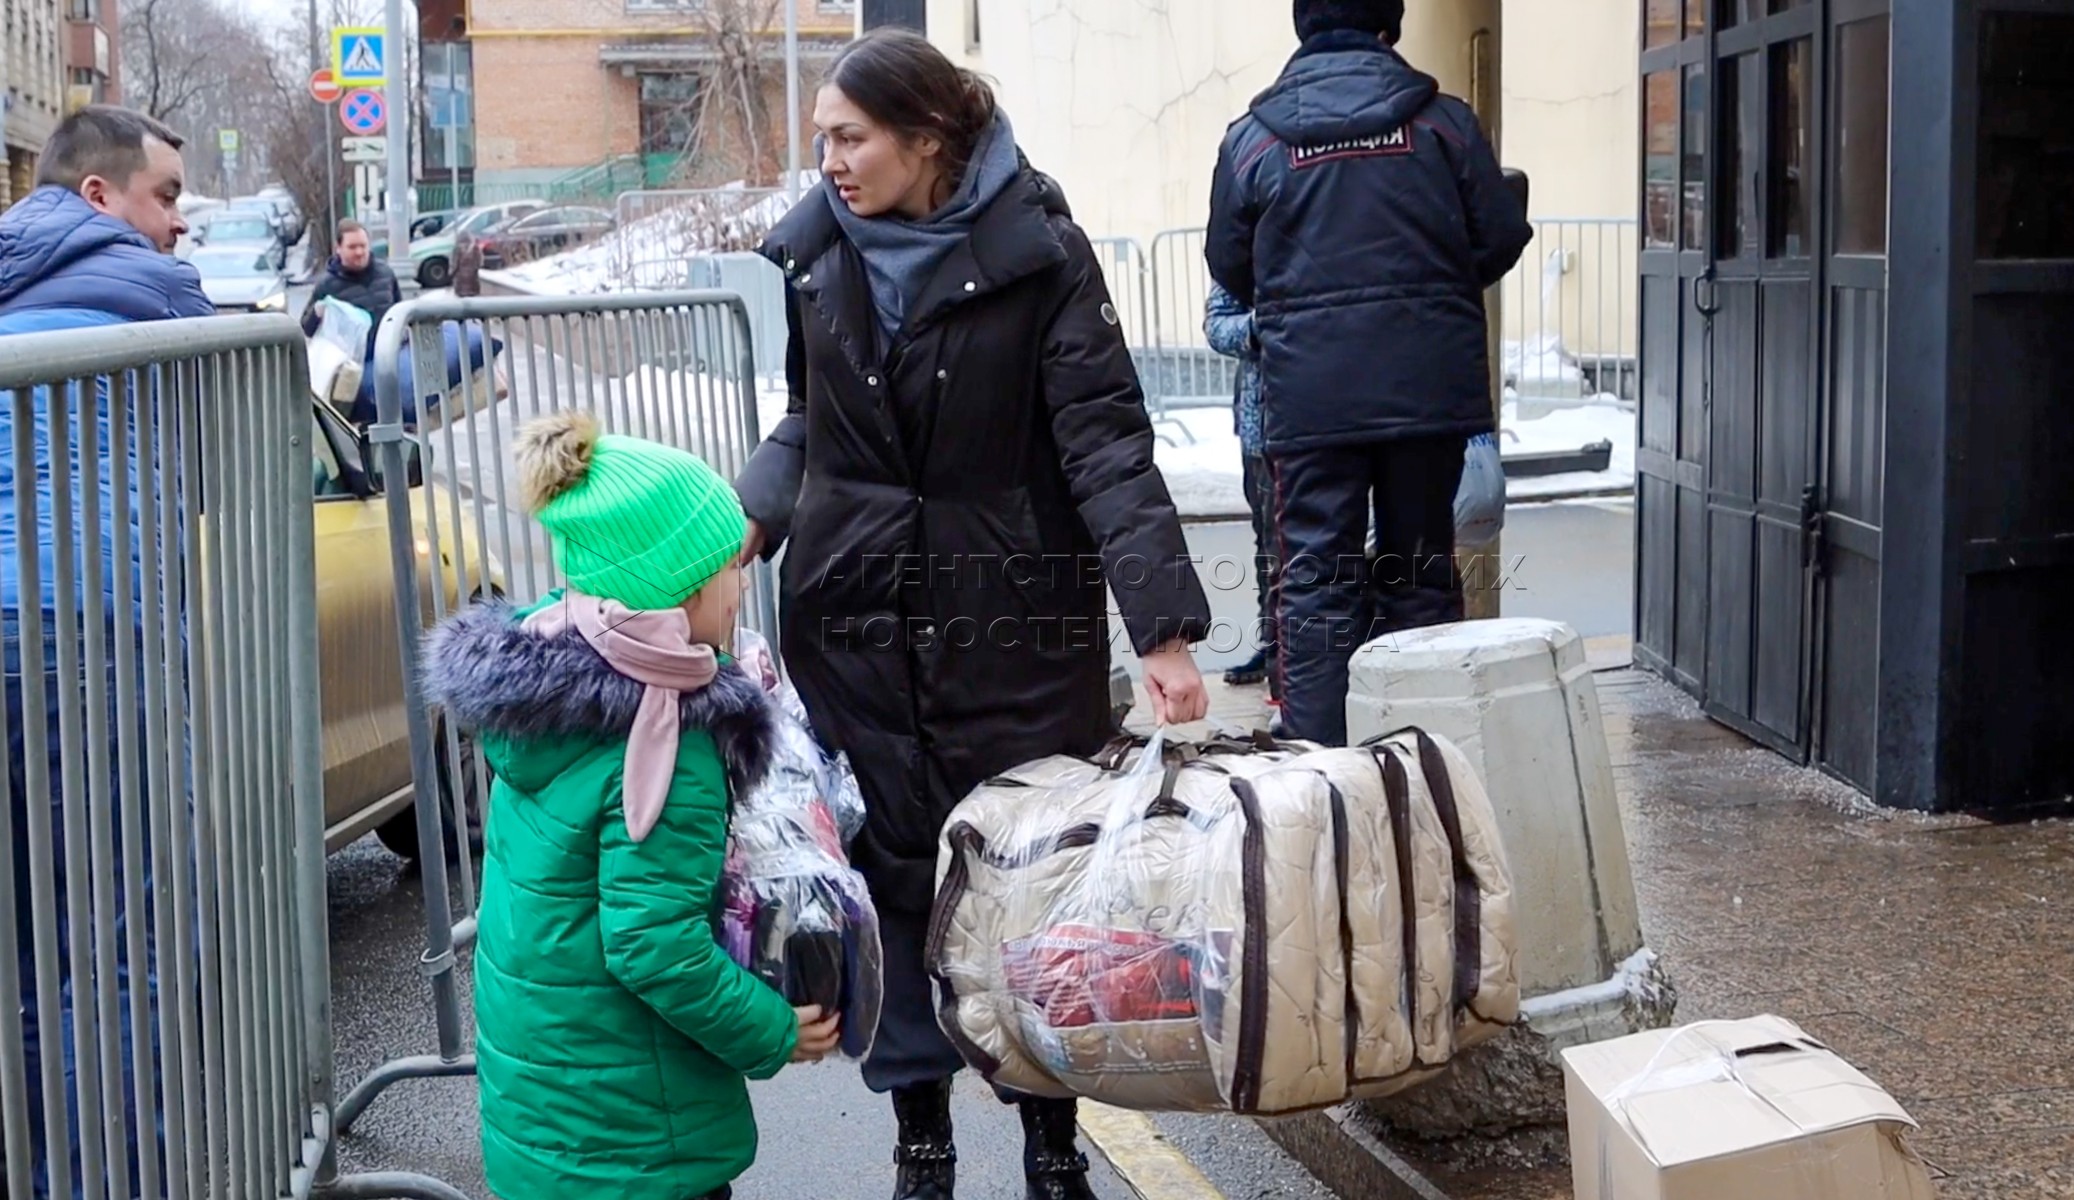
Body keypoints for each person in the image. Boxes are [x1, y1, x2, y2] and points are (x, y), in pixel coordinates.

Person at [735, 27, 1212, 1200]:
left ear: (928, 136)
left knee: (1024, 885)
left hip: (1010, 616)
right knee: (894, 879)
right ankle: (922, 1143)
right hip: (852, 616)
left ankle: (1053, 1148)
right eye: (821, 142)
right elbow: (810, 426)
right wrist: (741, 519)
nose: (830, 164)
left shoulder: (1037, 253)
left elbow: (1102, 439)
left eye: (850, 138)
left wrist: (1160, 628)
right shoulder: (820, 260)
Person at [424, 411, 842, 1200]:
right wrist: (773, 1029)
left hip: (551, 1103)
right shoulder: (663, 737)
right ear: (672, 591)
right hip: (634, 1133)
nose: (742, 578)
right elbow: (654, 947)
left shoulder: (550, 694)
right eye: (727, 566)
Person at [1206, 0, 1533, 746]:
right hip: (1429, 389)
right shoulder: (1443, 123)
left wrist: (1308, 305)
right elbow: (1499, 236)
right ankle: (1419, 770)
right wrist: (1434, 284)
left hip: (1310, 398)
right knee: (1419, 573)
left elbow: (1231, 263)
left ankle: (1323, 783)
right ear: (1392, 24)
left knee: (1315, 584)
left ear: (1302, 28)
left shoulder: (1252, 142)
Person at [0, 103, 211, 1199]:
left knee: (26, 957)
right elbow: (211, 476)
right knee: (118, 947)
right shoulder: (159, 289)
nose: (179, 224)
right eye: (166, 195)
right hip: (95, 633)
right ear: (99, 196)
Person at [1203, 280, 1276, 698]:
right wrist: (1264, 325)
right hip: (1262, 430)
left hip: (1330, 421)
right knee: (1270, 547)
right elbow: (1217, 325)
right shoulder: (1246, 240)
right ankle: (1274, 647)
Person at [300, 218, 400, 336]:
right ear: (339, 248)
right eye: (352, 247)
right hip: (350, 353)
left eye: (363, 246)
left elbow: (400, 313)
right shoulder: (327, 285)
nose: (359, 252)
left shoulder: (386, 274)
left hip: (388, 351)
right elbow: (306, 328)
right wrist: (316, 314)